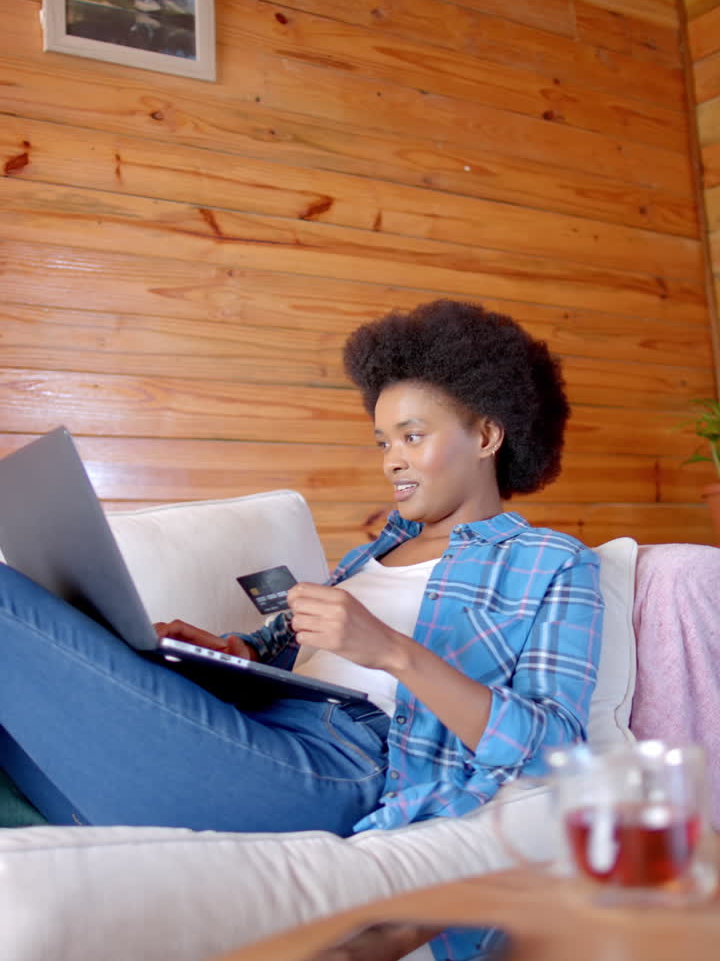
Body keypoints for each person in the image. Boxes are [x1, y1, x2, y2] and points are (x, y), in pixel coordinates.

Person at [0, 299, 602, 851]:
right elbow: (290, 661)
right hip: (254, 726)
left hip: (342, 761)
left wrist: (391, 651)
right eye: (383, 441)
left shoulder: (549, 562)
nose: (392, 459)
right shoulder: (365, 561)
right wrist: (224, 652)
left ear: (487, 436)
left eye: (412, 437)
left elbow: (554, 749)